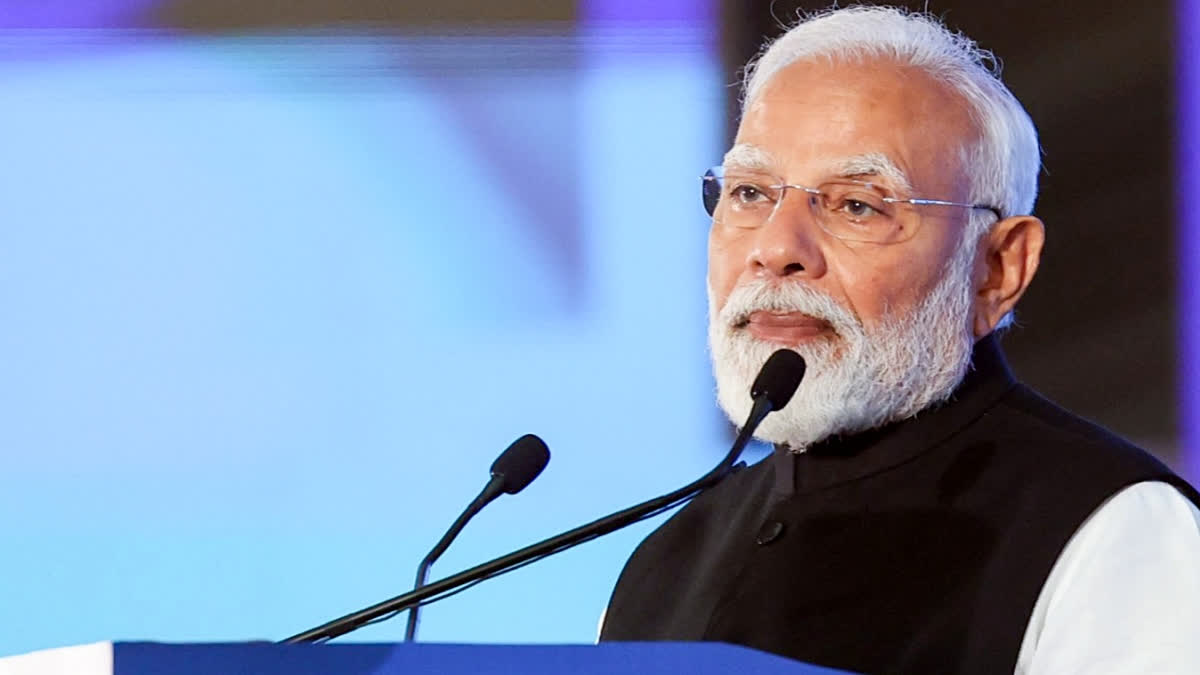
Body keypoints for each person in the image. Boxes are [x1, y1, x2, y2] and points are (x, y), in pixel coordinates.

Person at [597, 6, 1200, 674]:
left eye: (858, 204)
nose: (775, 248)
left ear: (999, 268)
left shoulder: (1113, 530)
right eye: (749, 193)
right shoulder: (664, 563)